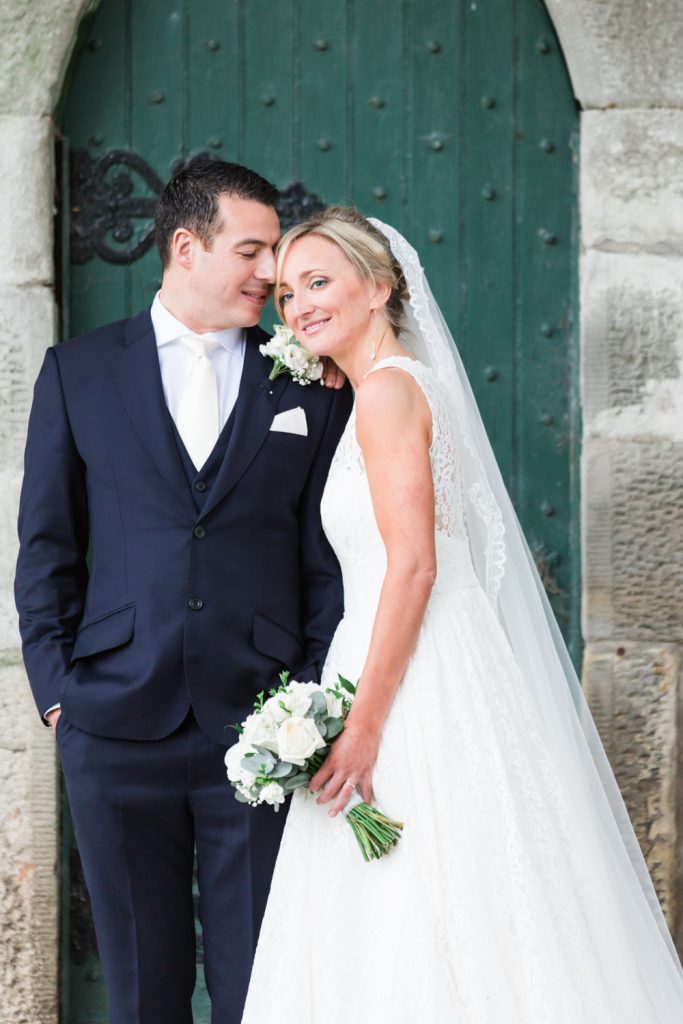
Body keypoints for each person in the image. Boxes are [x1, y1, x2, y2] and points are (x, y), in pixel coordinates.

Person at [241, 206, 683, 1023]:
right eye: (284, 294)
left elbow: (413, 563)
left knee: (418, 896)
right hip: (424, 656)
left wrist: (364, 721)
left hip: (405, 681)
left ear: (378, 288)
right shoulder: (402, 384)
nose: (296, 306)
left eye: (317, 282)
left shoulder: (384, 396)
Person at [14, 158, 352, 1024]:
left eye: (275, 251)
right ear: (184, 246)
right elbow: (47, 547)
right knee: (140, 993)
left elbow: (327, 555)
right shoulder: (78, 372)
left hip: (263, 726)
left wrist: (310, 694)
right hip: (115, 725)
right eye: (252, 250)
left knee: (263, 989)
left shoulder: (307, 381)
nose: (272, 274)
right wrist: (60, 697)